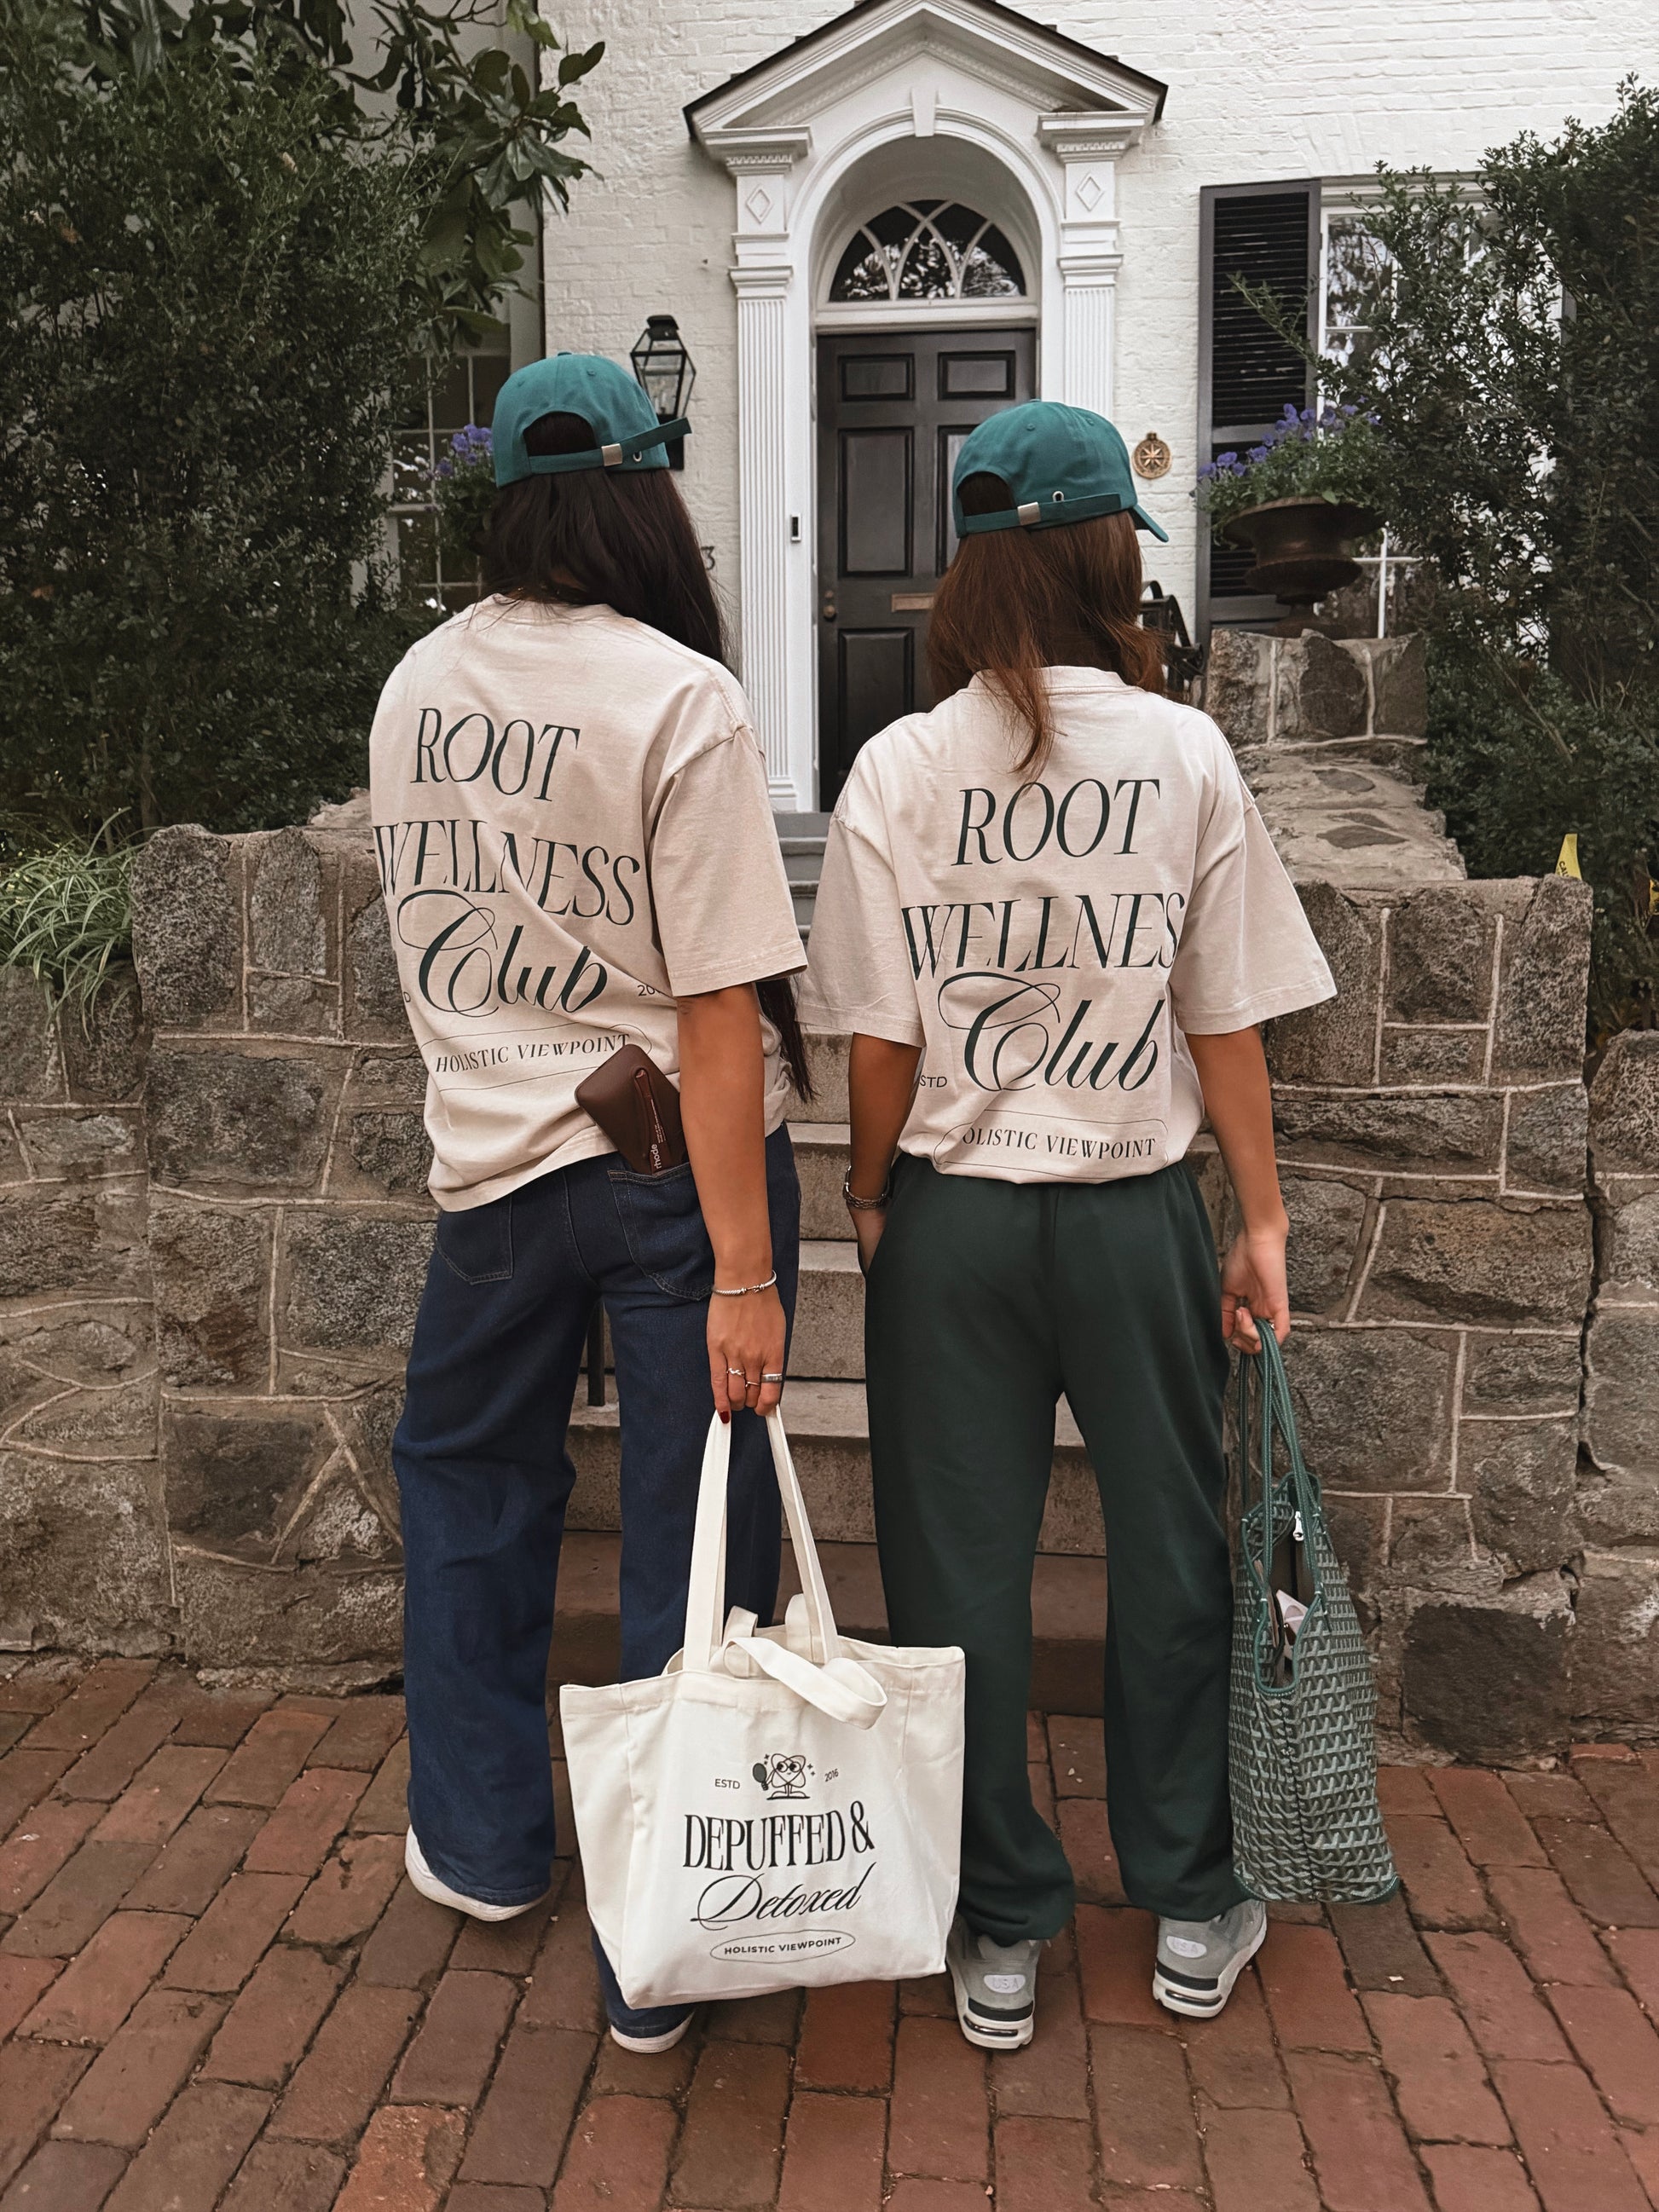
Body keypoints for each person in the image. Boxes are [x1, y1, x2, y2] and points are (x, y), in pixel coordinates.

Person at [799, 401, 1335, 2052]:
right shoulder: (1183, 754)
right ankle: (1187, 1894)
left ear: (971, 564)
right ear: (1113, 556)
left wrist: (872, 1198)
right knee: (1170, 1549)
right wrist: (1259, 1220)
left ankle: (1001, 1922)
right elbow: (1222, 1015)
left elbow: (877, 1043)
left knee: (956, 1568)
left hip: (955, 1220)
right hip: (1128, 1212)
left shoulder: (896, 766)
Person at [370, 352, 810, 2055]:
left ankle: (484, 1843)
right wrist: (748, 1271)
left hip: (490, 1166)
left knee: (469, 1484)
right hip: (667, 1177)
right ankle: (661, 1941)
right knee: (693, 1535)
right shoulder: (678, 696)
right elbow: (717, 1007)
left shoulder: (416, 684)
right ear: (647, 496)